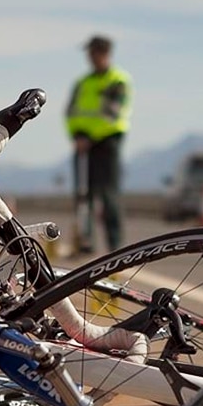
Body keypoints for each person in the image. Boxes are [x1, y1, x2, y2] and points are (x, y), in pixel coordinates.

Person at [65, 35, 132, 255]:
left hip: (107, 143)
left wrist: (90, 138)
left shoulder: (118, 81)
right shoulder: (82, 83)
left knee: (108, 194)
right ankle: (86, 242)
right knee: (84, 195)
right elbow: (70, 113)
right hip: (82, 144)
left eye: (94, 52)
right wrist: (77, 136)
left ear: (104, 54)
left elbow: (112, 113)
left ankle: (114, 245)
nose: (90, 57)